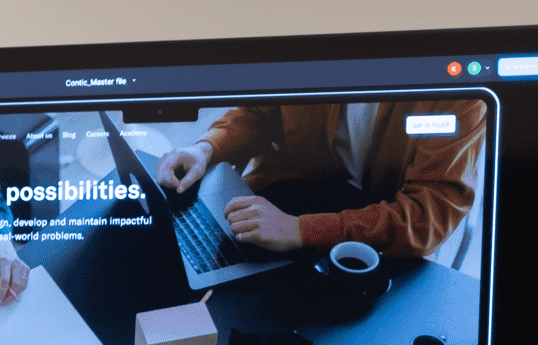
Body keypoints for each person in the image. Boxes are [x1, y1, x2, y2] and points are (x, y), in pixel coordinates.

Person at [155, 100, 486, 260]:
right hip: (285, 193)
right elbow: (259, 112)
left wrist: (300, 230)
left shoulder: (459, 96)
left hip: (380, 239)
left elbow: (426, 214)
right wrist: (207, 148)